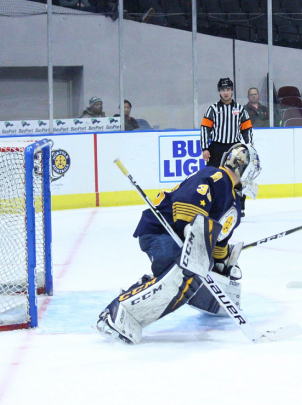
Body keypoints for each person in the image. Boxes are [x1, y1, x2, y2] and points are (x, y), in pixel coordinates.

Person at [96, 144, 261, 344]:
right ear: (245, 168)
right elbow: (186, 202)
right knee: (180, 272)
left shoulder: (233, 201)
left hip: (174, 236)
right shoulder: (215, 177)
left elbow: (218, 244)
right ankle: (116, 312)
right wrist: (191, 232)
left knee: (191, 271)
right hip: (160, 231)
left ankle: (150, 290)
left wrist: (223, 264)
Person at [201, 78, 254, 217]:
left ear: (232, 90)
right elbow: (205, 128)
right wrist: (204, 148)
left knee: (237, 177)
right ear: (219, 91)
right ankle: (211, 205)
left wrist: (249, 147)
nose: (226, 92)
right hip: (216, 148)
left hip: (234, 148)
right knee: (212, 177)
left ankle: (240, 206)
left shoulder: (240, 109)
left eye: (228, 89)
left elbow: (247, 129)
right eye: (223, 90)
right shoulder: (213, 109)